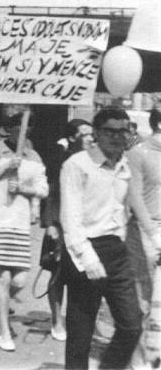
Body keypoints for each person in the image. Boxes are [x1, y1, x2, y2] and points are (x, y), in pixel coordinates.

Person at [60, 107, 159, 369]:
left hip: (117, 251)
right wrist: (88, 259)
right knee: (81, 334)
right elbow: (71, 219)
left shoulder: (125, 165)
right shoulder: (77, 165)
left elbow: (131, 205)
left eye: (122, 131)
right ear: (97, 133)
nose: (117, 137)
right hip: (85, 251)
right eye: (110, 131)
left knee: (131, 325)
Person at [0, 112, 48, 352]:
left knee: (19, 279)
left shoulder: (34, 156)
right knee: (3, 277)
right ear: (11, 129)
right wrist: (7, 164)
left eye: (27, 129)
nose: (23, 133)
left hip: (19, 222)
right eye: (19, 128)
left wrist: (25, 188)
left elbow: (43, 189)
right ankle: (4, 331)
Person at [40, 118, 93, 342]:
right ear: (72, 138)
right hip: (60, 225)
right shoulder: (60, 160)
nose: (91, 139)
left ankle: (77, 320)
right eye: (85, 134)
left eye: (92, 134)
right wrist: (50, 223)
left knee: (84, 274)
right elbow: (50, 194)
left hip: (87, 226)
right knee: (57, 274)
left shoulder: (94, 161)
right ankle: (57, 320)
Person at [124, 108, 161, 369]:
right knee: (145, 299)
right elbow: (134, 197)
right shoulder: (139, 153)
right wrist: (153, 233)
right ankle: (140, 361)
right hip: (147, 231)